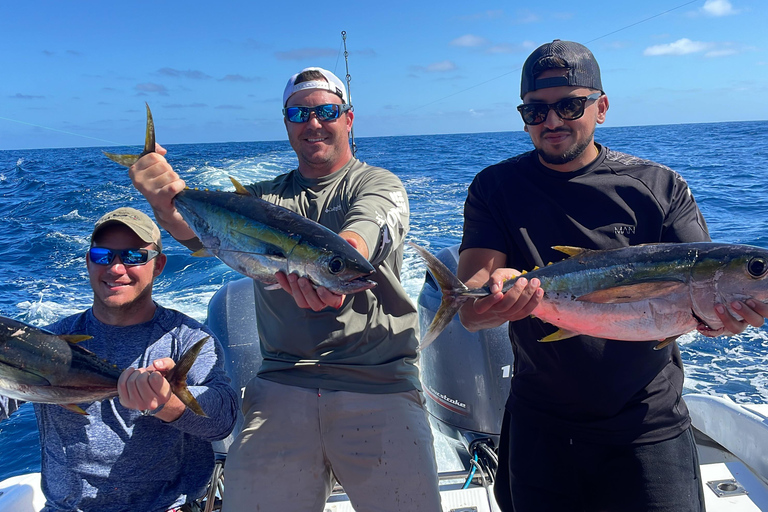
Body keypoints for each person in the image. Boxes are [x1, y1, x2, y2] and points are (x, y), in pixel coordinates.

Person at [456, 40, 768, 512]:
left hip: (647, 426)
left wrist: (727, 318)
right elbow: (473, 308)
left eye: (569, 105)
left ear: (601, 107)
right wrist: (493, 298)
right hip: (541, 425)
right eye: (535, 111)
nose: (553, 121)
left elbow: (705, 294)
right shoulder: (496, 187)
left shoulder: (659, 186)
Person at [128, 67, 442, 511]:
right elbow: (194, 233)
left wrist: (333, 266)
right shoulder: (261, 199)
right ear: (287, 123)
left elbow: (368, 230)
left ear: (348, 119)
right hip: (282, 383)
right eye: (300, 113)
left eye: (327, 111)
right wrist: (164, 196)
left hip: (379, 383)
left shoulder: (378, 185)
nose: (314, 123)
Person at [0, 207, 239, 512]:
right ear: (89, 261)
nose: (115, 269)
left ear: (158, 265)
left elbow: (222, 421)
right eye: (103, 256)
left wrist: (168, 402)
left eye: (134, 257)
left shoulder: (188, 338)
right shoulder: (47, 340)